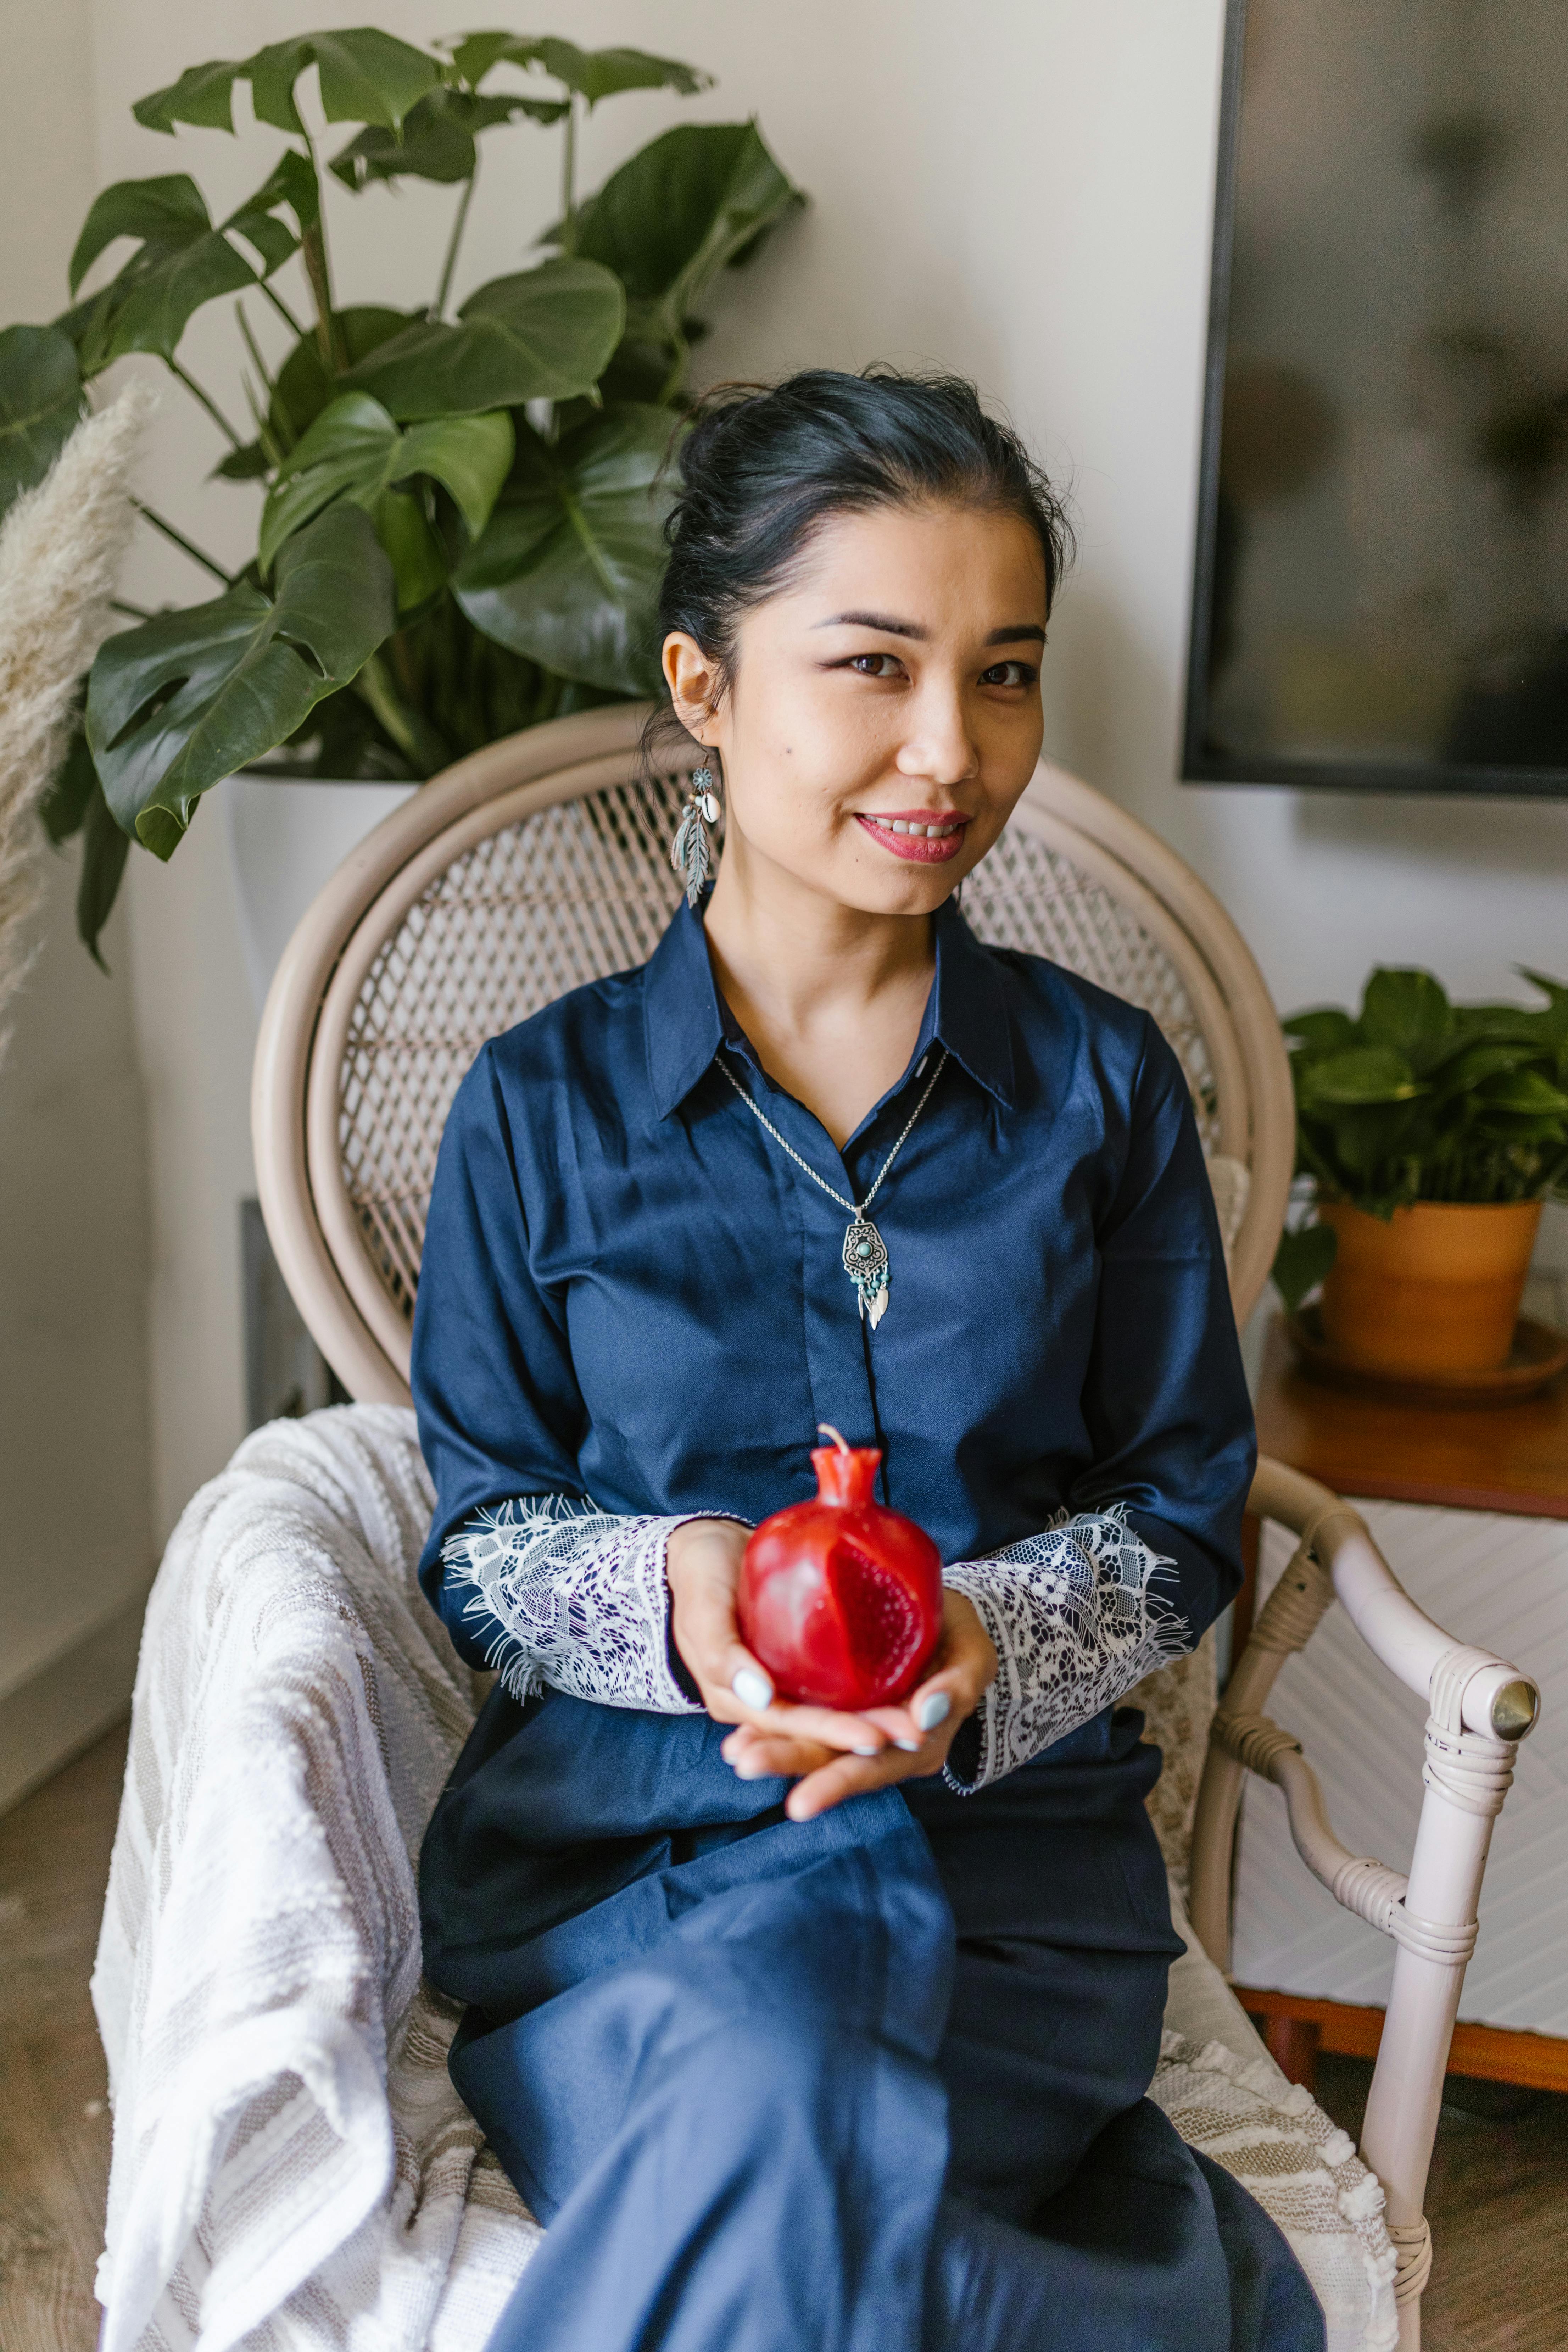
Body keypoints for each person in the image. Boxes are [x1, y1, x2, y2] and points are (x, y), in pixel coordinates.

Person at [412, 369, 1323, 2351]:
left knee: (802, 2096)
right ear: (704, 684)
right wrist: (671, 1597)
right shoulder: (541, 1102)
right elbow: (482, 1533)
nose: (950, 748)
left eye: (1004, 675)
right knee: (780, 2062)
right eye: (873, 666)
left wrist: (984, 1643)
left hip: (1008, 1885)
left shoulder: (1099, 1085)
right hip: (627, 1883)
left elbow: (1178, 1513)